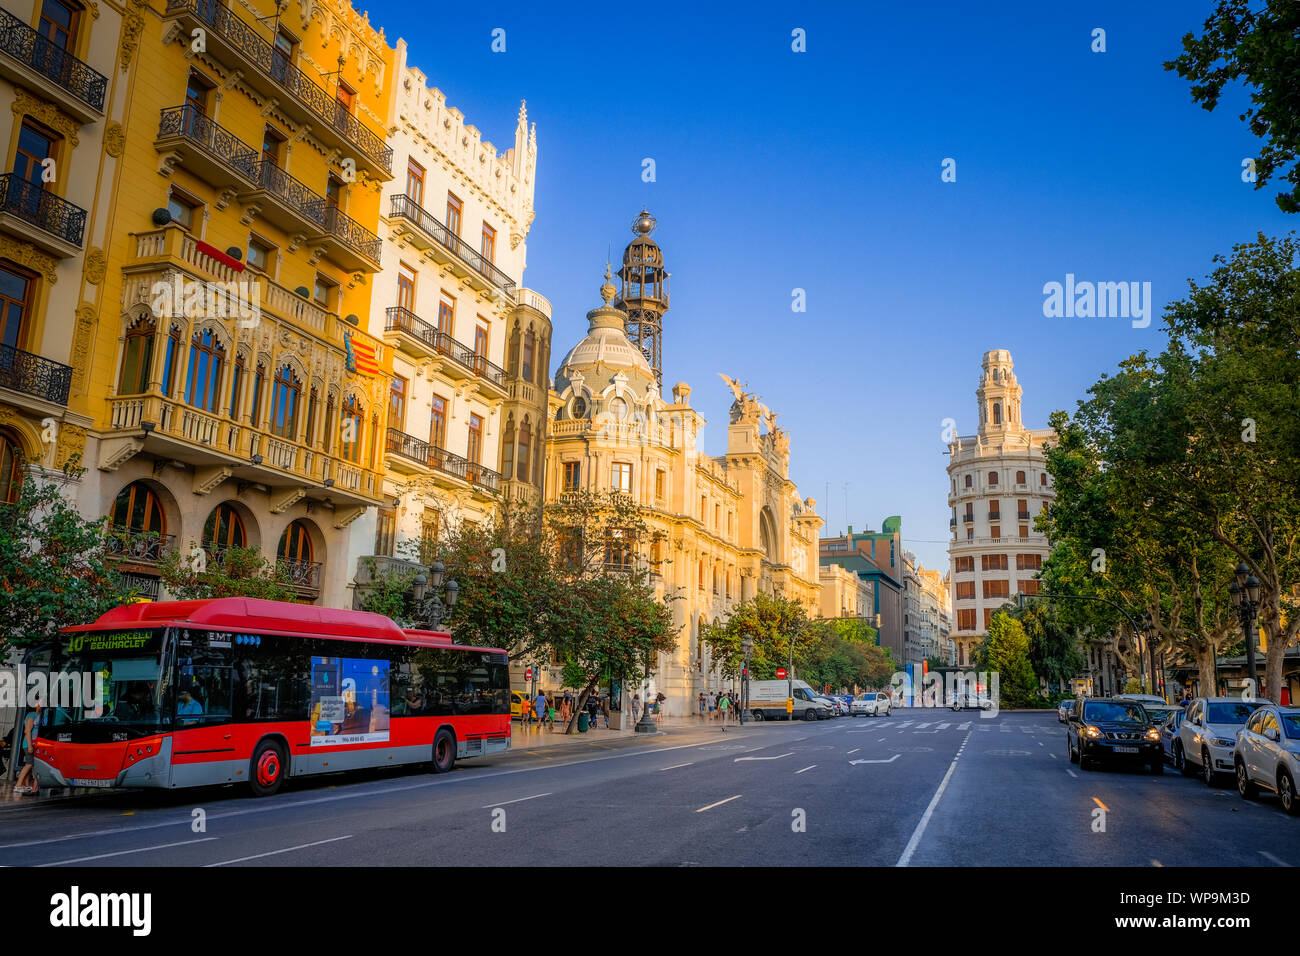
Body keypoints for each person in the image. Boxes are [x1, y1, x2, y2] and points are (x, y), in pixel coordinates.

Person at [13, 702, 42, 795]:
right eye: (40, 703)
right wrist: (30, 745)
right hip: (28, 744)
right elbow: (27, 731)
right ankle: (17, 786)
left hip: (35, 744)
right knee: (29, 764)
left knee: (31, 765)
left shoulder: (40, 715)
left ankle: (25, 786)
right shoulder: (31, 715)